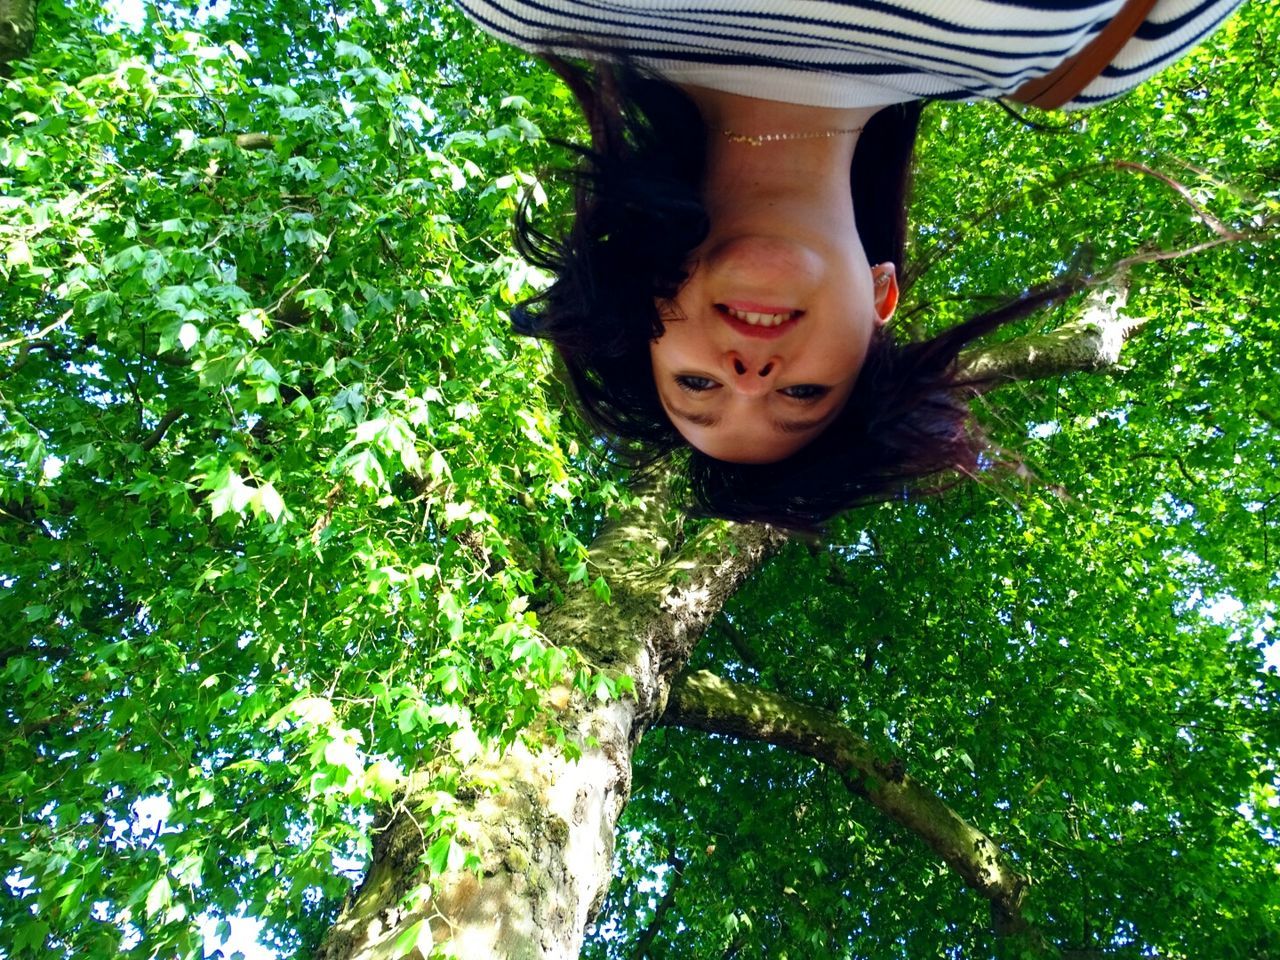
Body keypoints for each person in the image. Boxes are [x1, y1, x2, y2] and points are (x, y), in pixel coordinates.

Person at [460, 0, 1243, 528]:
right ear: (881, 299)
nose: (749, 377)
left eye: (696, 385)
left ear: (641, 320)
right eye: (804, 394)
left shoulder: (530, 9)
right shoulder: (1095, 58)